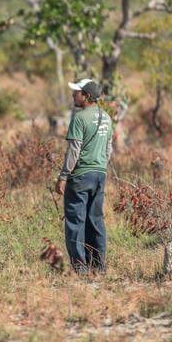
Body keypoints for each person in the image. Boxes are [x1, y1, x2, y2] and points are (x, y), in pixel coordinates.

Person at [54, 79, 113, 274]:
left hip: (79, 176)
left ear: (86, 96)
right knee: (95, 220)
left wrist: (63, 176)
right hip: (99, 175)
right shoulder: (106, 117)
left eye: (77, 92)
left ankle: (80, 268)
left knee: (75, 222)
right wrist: (100, 167)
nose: (73, 95)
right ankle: (99, 265)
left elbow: (74, 151)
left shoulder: (79, 118)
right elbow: (108, 149)